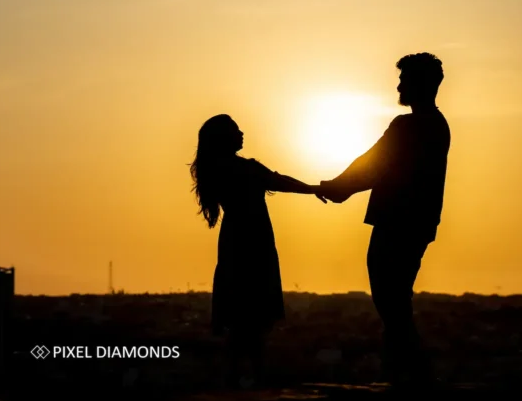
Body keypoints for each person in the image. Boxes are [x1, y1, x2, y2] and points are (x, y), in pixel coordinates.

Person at [319, 53, 450, 388]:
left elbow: (375, 163)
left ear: (421, 84)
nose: (399, 85)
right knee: (395, 300)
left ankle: (411, 373)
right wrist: (341, 186)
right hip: (416, 224)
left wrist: (339, 188)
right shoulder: (436, 124)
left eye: (405, 79)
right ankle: (403, 373)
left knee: (390, 301)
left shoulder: (410, 126)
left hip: (397, 222)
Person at [190, 114, 327, 389]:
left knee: (241, 322)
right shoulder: (242, 169)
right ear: (225, 138)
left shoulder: (218, 169)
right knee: (254, 320)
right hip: (253, 244)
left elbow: (275, 180)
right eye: (236, 130)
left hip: (236, 242)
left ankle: (238, 379)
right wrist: (314, 189)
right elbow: (278, 181)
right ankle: (253, 380)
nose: (242, 133)